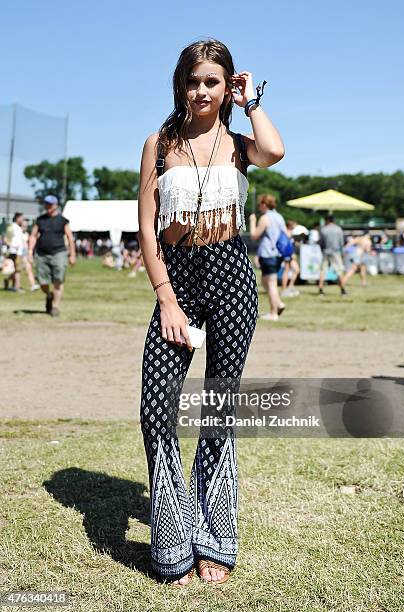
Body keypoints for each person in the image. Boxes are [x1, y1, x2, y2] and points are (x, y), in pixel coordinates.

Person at [137, 38, 284, 586]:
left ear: (227, 87)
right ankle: (172, 537)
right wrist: (167, 299)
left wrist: (251, 102)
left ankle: (214, 538)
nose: (201, 90)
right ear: (180, 84)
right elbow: (147, 228)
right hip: (178, 277)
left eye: (212, 82)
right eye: (193, 81)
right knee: (157, 411)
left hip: (231, 276)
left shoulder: (240, 142)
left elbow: (276, 151)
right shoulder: (160, 142)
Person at [28, 195, 76, 316]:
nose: (47, 206)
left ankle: (55, 307)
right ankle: (49, 295)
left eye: (50, 204)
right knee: (43, 282)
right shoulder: (40, 220)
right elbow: (33, 236)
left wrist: (72, 254)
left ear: (56, 205)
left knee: (58, 280)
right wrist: (29, 252)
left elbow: (70, 238)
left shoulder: (62, 220)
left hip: (59, 253)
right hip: (42, 254)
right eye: (46, 204)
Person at [249, 193, 286, 319]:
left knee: (270, 284)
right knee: (266, 281)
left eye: (260, 204)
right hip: (278, 253)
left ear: (264, 204)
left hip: (268, 253)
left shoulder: (265, 218)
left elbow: (254, 235)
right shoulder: (279, 217)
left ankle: (274, 312)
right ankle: (278, 303)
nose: (259, 206)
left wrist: (252, 222)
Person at [318, 214, 347, 297]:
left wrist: (322, 250)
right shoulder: (338, 229)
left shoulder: (323, 230)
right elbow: (341, 243)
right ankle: (343, 290)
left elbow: (321, 243)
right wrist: (342, 253)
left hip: (326, 252)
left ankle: (321, 290)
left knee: (323, 270)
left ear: (326, 220)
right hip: (336, 252)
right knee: (339, 271)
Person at [4, 212, 26, 292]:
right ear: (17, 218)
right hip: (13, 251)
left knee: (16, 270)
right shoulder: (12, 227)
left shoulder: (19, 228)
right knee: (17, 270)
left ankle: (10, 282)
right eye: (22, 218)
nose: (23, 220)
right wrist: (12, 246)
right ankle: (17, 287)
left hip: (19, 252)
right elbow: (6, 239)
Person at [281, 220, 300, 297]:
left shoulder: (291, 234)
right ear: (290, 226)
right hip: (287, 255)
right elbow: (287, 246)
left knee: (296, 270)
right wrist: (291, 253)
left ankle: (290, 287)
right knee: (286, 270)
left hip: (290, 255)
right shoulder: (287, 233)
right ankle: (284, 289)